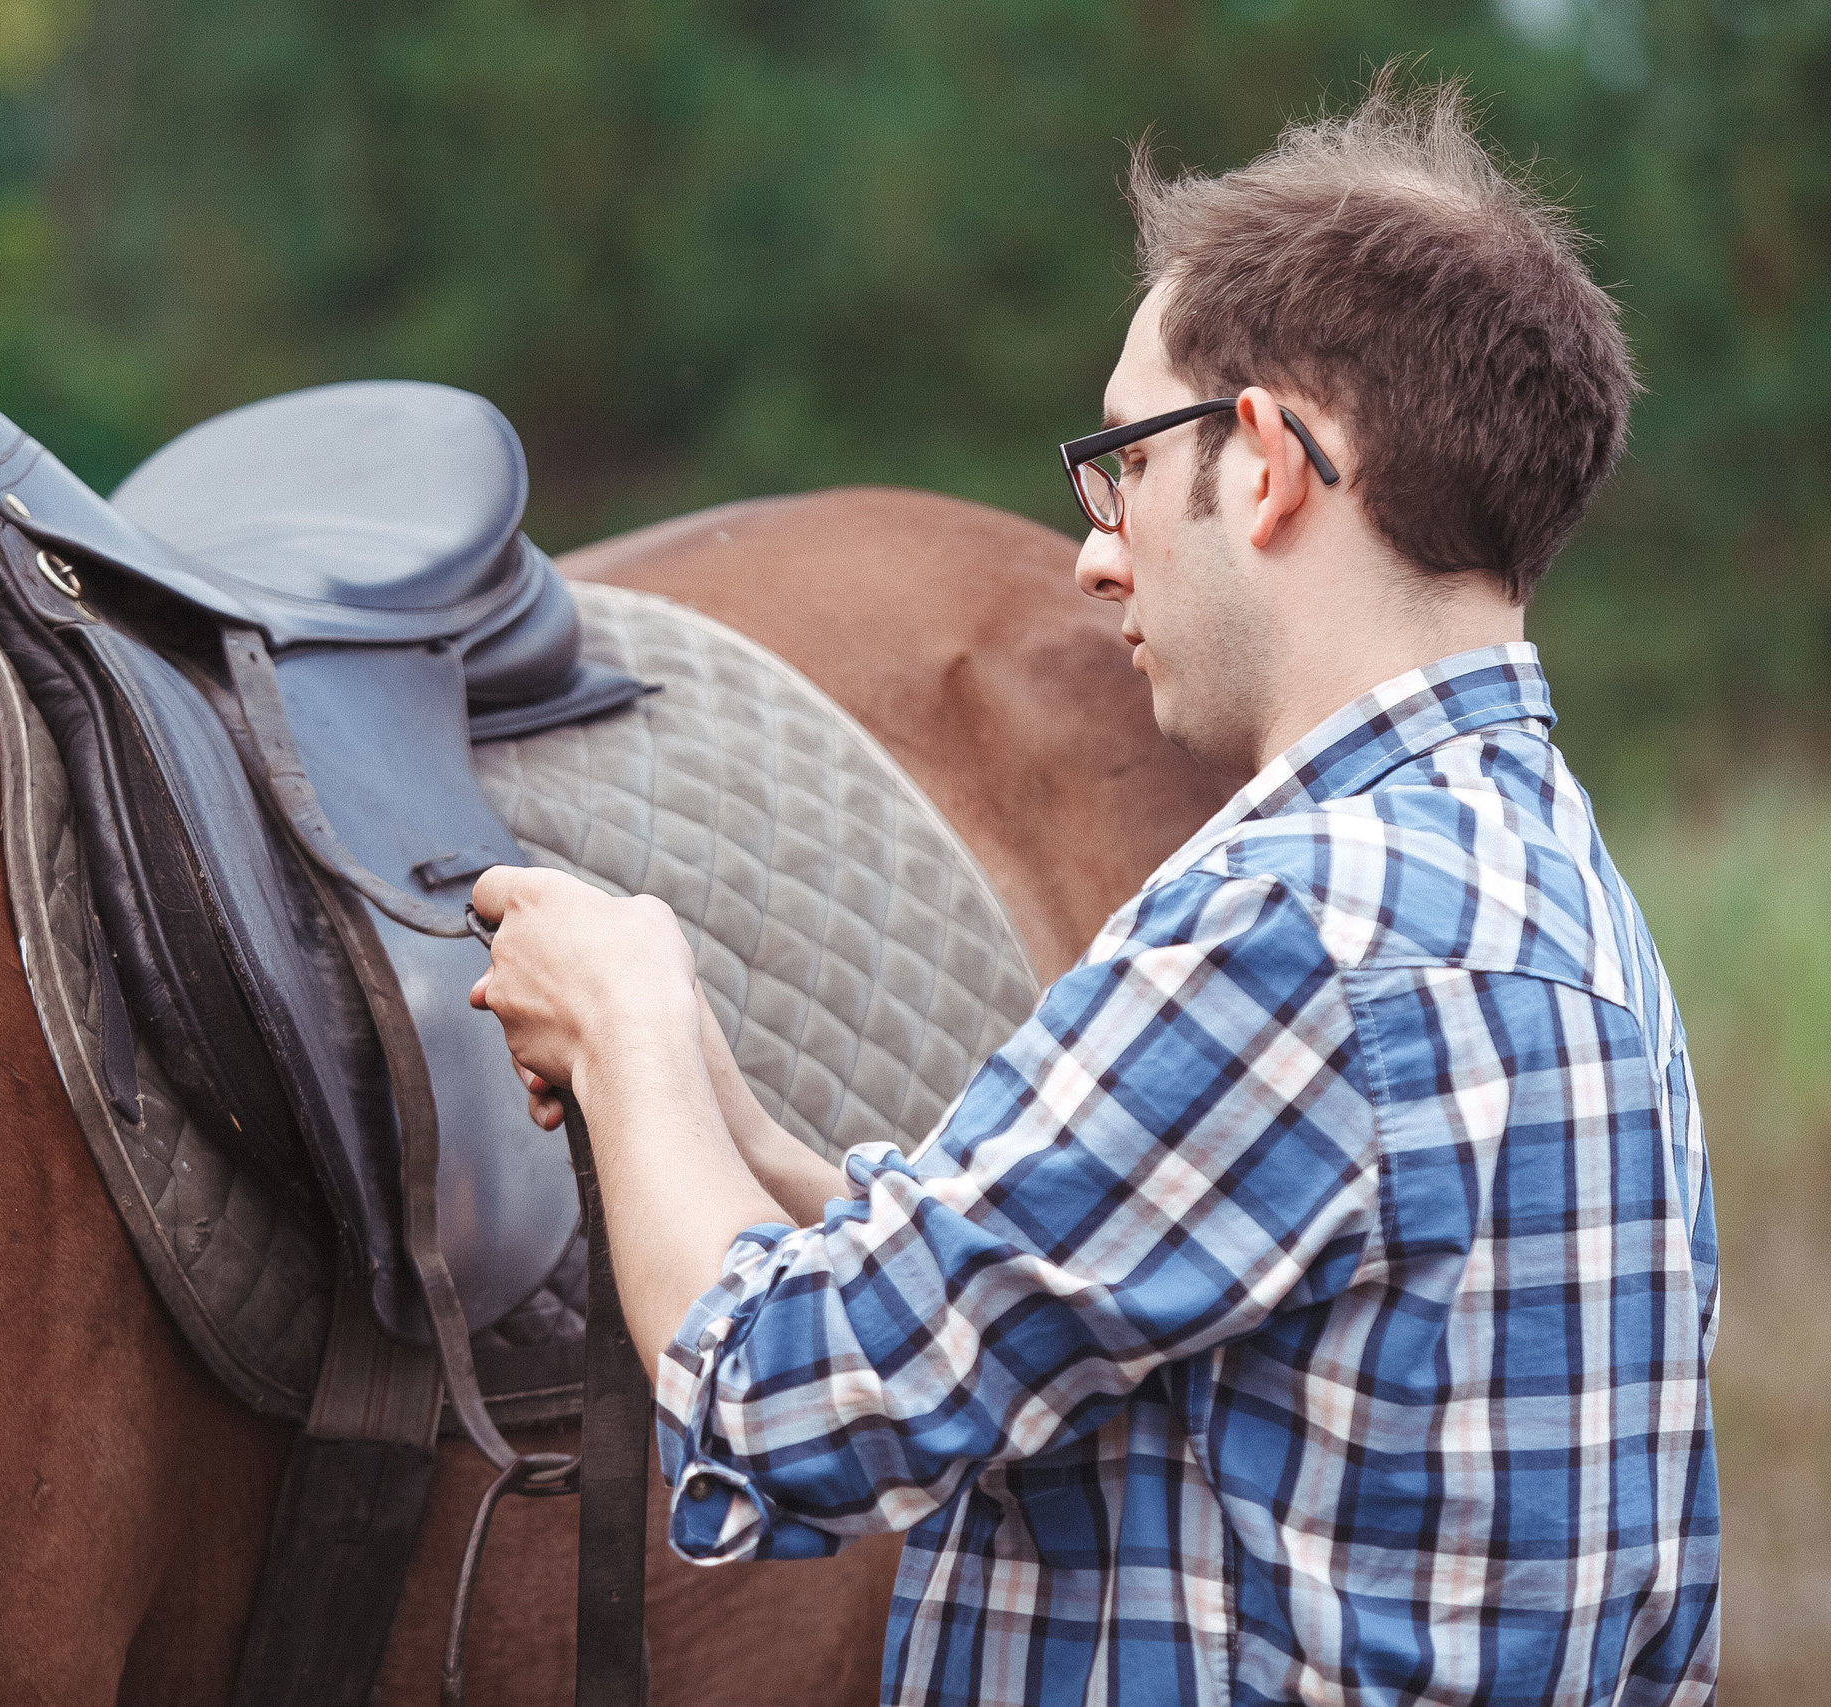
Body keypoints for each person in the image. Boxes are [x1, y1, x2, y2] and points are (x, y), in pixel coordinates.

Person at [469, 74, 1718, 1706]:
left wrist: (627, 1027)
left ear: (1265, 463)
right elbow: (1152, 1313)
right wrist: (749, 1141)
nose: (1096, 551)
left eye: (1121, 461)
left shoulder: (1294, 931)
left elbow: (792, 1398)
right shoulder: (1560, 906)